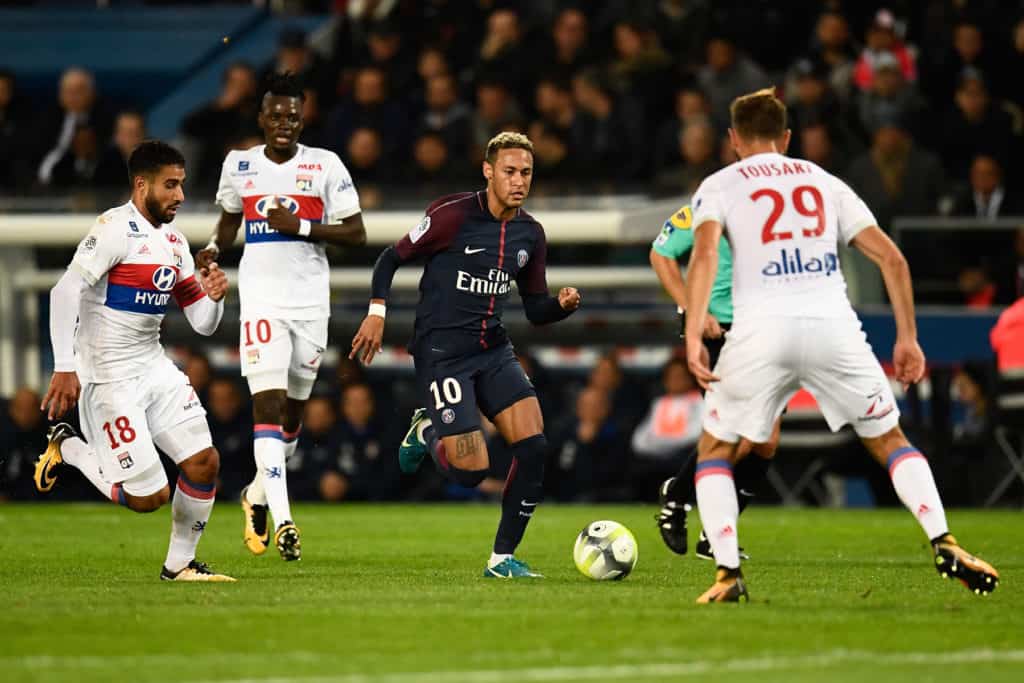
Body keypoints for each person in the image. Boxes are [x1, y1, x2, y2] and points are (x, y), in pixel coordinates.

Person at [683, 88, 998, 602]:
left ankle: (726, 573)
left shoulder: (719, 184)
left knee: (715, 448)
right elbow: (893, 259)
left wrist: (695, 332)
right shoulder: (825, 181)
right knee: (890, 440)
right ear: (786, 138)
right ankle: (945, 539)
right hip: (835, 328)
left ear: (733, 139)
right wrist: (908, 339)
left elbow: (703, 257)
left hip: (762, 331)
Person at [350, 132, 581, 578]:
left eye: (526, 173)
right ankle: (430, 431)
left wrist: (562, 306)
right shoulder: (451, 215)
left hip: (493, 350)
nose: (519, 181)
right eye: (510, 171)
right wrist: (377, 312)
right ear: (488, 170)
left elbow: (535, 310)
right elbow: (389, 258)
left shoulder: (530, 233)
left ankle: (501, 559)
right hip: (443, 355)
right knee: (472, 472)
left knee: (534, 448)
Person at [34, 140, 234, 582]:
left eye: (181, 185)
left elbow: (202, 323)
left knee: (204, 463)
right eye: (170, 185)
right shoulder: (113, 230)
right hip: (108, 379)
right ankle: (67, 448)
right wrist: (65, 367)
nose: (180, 196)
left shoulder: (176, 242)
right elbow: (64, 292)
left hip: (153, 367)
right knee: (149, 497)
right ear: (141, 185)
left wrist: (215, 297)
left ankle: (179, 565)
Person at [197, 72, 367, 562]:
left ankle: (255, 493)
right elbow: (230, 217)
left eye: (292, 115)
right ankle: (287, 519)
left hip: (311, 303)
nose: (284, 123)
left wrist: (303, 225)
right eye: (275, 115)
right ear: (261, 118)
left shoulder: (325, 165)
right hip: (262, 300)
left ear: (302, 117)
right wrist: (212, 248)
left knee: (292, 416)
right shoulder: (240, 164)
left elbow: (356, 232)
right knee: (266, 408)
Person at [649, 203, 774, 559]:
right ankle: (677, 501)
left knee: (765, 443)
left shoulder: (774, 211)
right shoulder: (708, 207)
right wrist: (693, 309)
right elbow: (661, 254)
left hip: (761, 331)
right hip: (717, 331)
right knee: (739, 431)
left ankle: (709, 531)